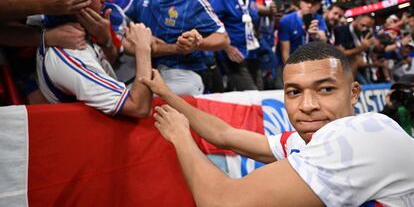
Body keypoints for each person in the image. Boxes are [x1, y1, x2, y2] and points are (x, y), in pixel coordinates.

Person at [140, 42, 414, 206]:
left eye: (326, 90)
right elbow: (224, 134)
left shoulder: (355, 139)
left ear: (354, 93)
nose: (307, 105)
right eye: (294, 92)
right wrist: (166, 94)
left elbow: (223, 202)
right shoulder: (314, 139)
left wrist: (180, 136)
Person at [37, 0, 153, 118]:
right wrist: (143, 49)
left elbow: (105, 71)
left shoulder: (82, 31)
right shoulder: (69, 55)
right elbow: (138, 107)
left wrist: (105, 41)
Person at [124, 0, 229, 95]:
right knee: (124, 98)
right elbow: (123, 23)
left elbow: (224, 39)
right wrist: (138, 34)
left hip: (184, 72)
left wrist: (197, 44)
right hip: (145, 69)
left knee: (155, 99)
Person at [211, 0, 262, 91]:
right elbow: (212, 24)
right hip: (233, 56)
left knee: (260, 93)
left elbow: (253, 14)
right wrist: (227, 47)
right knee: (252, 95)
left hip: (253, 53)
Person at [278, 0, 327, 67]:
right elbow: (285, 53)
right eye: (307, 1)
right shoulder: (286, 20)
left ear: (319, 6)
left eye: (314, 3)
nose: (310, 5)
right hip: (293, 62)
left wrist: (316, 35)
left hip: (311, 63)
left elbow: (324, 39)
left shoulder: (319, 18)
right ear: (300, 2)